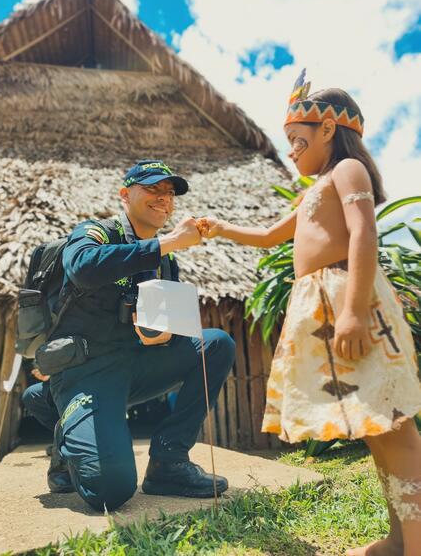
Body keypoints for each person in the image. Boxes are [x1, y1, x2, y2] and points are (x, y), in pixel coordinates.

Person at [198, 71, 421, 556]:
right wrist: (218, 228)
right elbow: (269, 236)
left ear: (328, 130)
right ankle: (401, 539)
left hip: (349, 297)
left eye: (298, 140)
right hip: (321, 303)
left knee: (393, 423)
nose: (292, 151)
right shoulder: (314, 189)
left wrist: (354, 312)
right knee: (374, 428)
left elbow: (364, 235)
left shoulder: (347, 171)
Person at [38, 159, 235, 512]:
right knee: (110, 492)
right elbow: (82, 269)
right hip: (87, 371)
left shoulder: (166, 259)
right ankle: (63, 431)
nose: (164, 198)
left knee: (216, 343)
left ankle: (169, 463)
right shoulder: (95, 232)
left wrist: (166, 336)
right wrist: (168, 242)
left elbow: (165, 318)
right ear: (125, 195)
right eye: (153, 189)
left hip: (138, 365)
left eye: (170, 193)